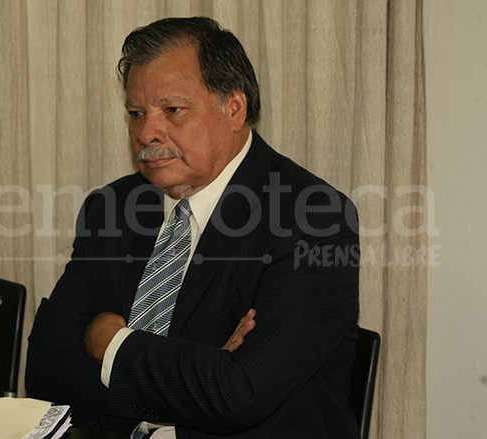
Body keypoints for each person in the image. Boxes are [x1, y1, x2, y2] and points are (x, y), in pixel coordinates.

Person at [26, 16, 361, 439]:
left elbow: (237, 395)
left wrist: (109, 343)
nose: (147, 131)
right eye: (136, 112)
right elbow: (45, 369)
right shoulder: (112, 206)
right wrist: (191, 378)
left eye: (173, 110)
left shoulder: (313, 217)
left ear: (233, 108)